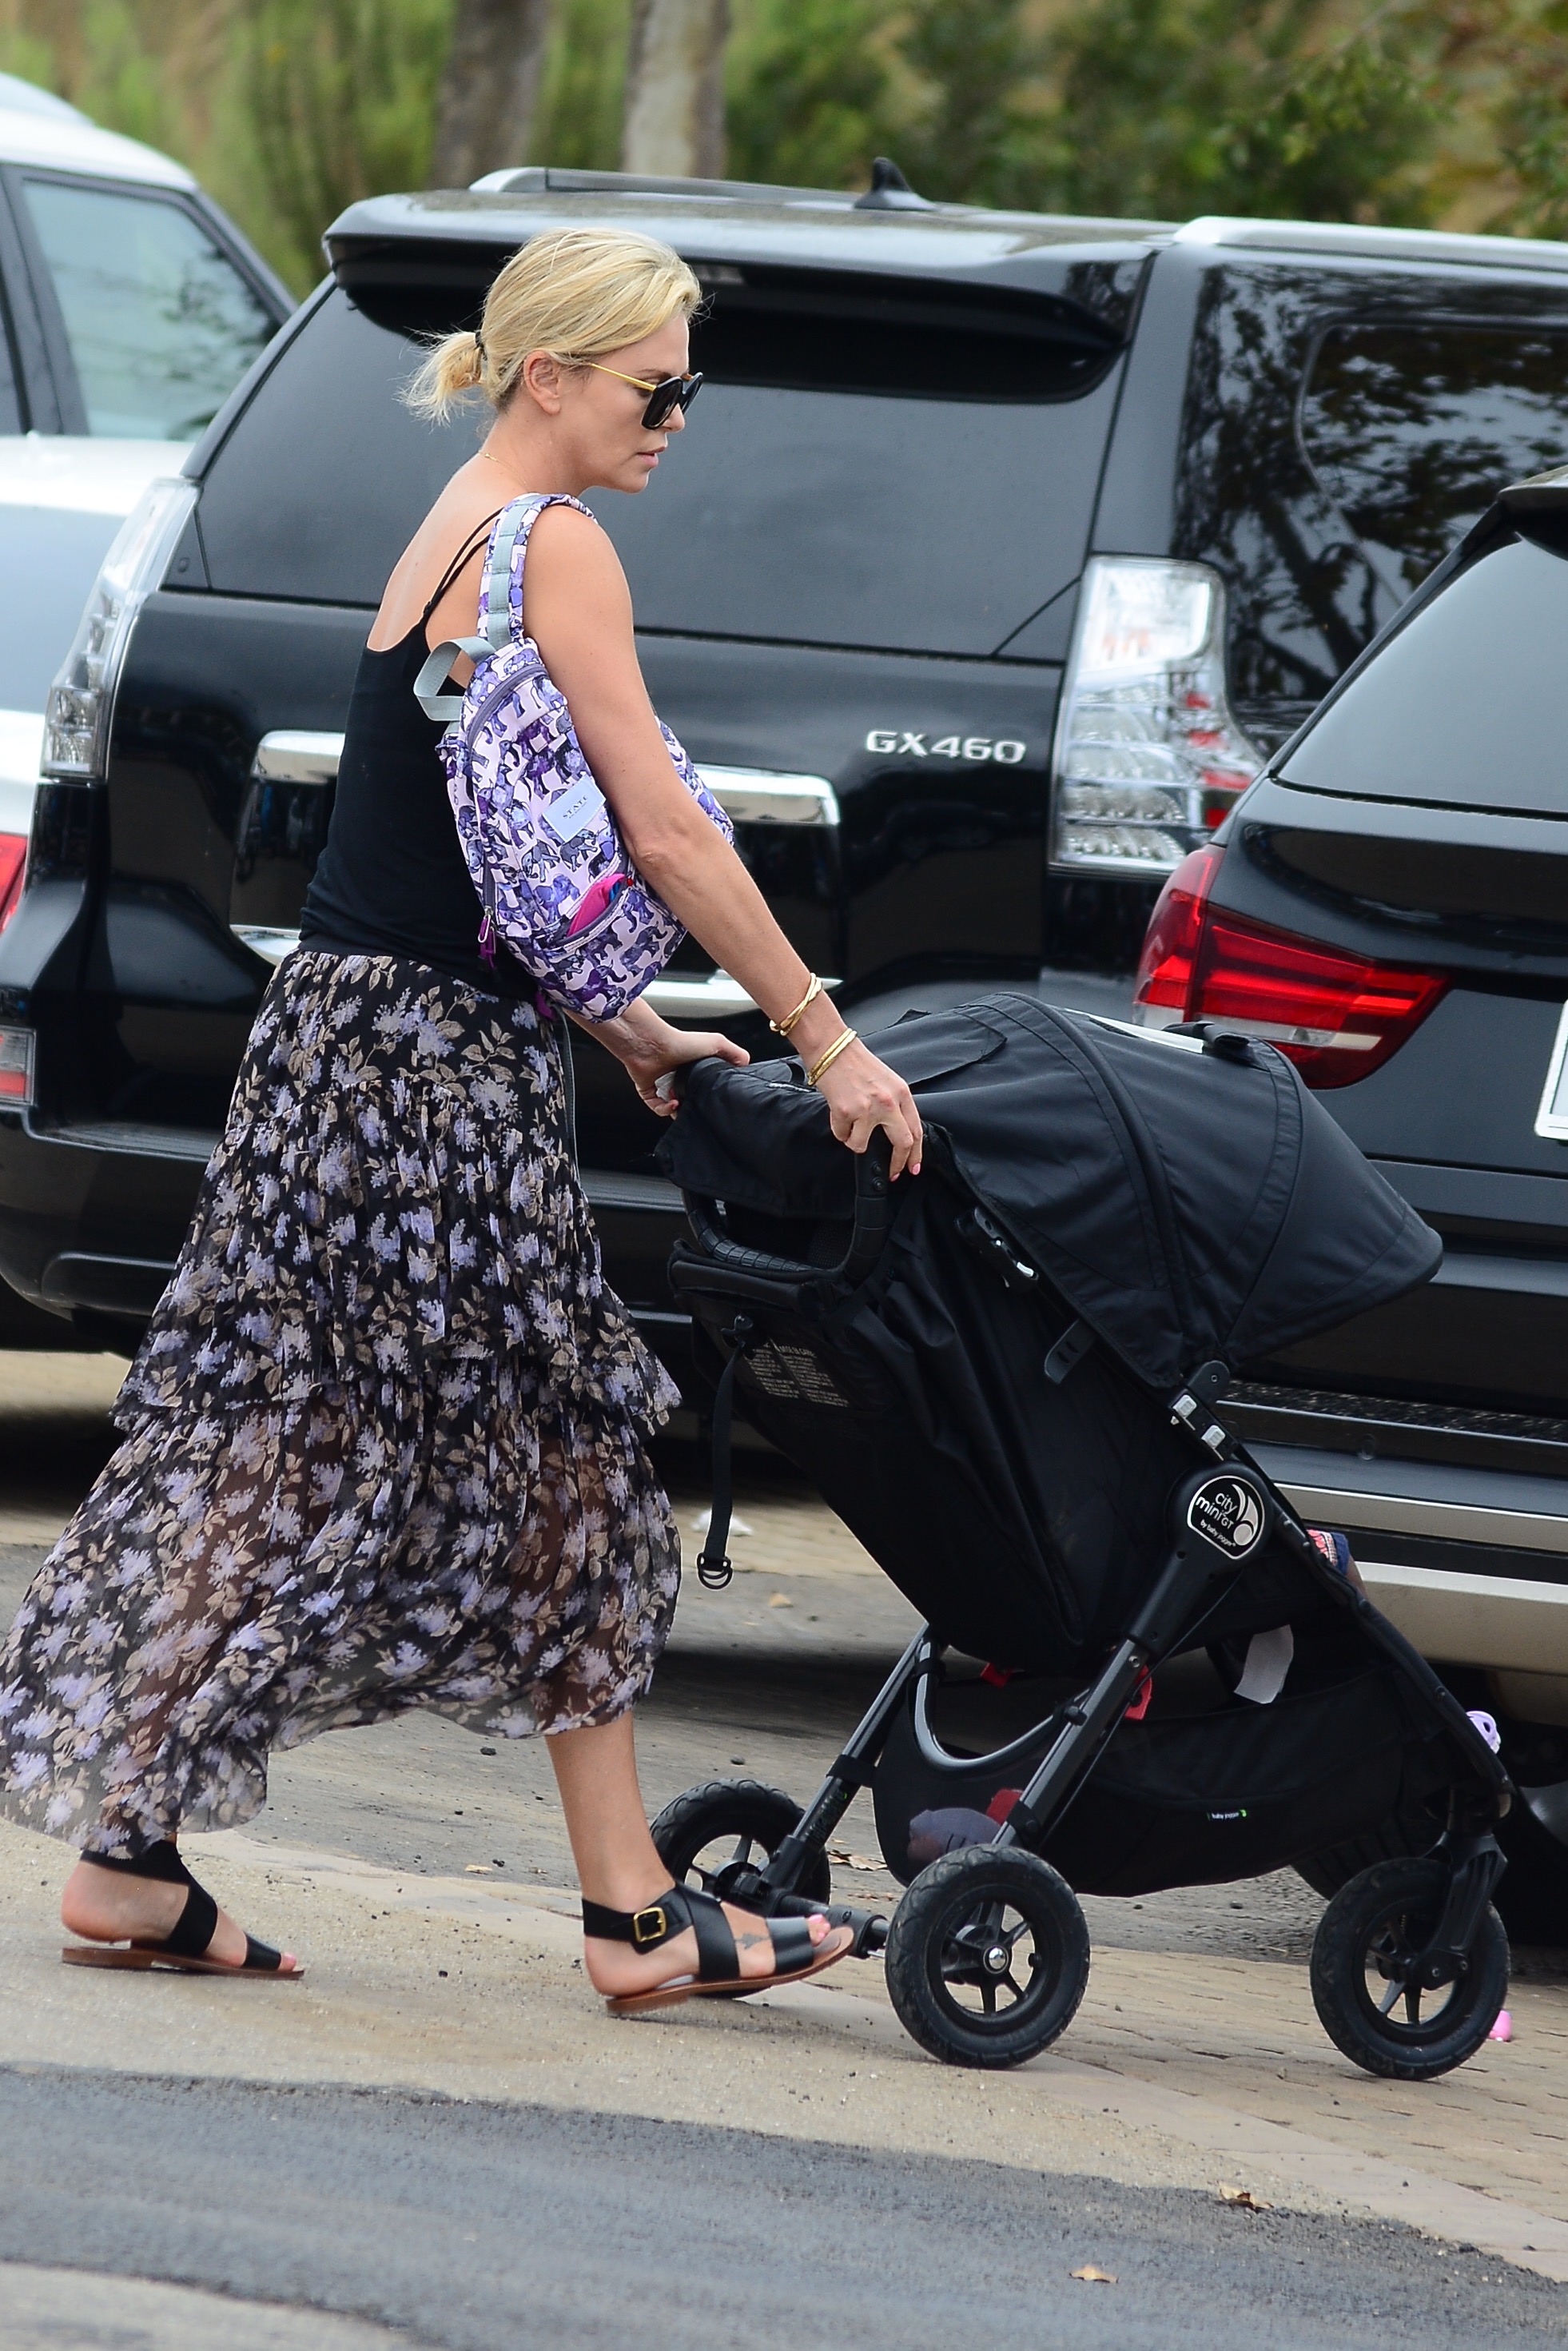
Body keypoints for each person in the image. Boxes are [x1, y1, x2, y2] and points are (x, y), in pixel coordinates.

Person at [0, 225, 922, 2014]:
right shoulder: (554, 543)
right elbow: (660, 827)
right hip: (434, 1078)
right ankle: (633, 1918)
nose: (679, 417)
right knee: (570, 1453)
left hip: (336, 1046)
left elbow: (459, 848)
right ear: (551, 374)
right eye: (659, 385)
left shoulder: (453, 530)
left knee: (277, 1445)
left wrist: (622, 1021)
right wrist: (826, 1041)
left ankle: (130, 1849)